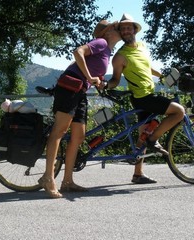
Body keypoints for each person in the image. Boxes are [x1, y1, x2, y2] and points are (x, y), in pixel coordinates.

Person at [38, 19, 122, 198]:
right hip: (69, 88)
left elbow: (93, 75)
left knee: (78, 135)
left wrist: (99, 81)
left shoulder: (107, 51)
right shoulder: (101, 42)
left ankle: (67, 181)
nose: (119, 29)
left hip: (80, 91)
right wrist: (90, 76)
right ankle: (47, 177)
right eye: (116, 28)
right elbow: (78, 52)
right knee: (59, 131)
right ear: (107, 32)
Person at [106, 13, 185, 184]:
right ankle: (153, 139)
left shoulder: (141, 46)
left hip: (147, 95)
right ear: (121, 32)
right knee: (179, 111)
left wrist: (163, 76)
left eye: (129, 27)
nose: (126, 30)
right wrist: (104, 84)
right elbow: (115, 79)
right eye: (123, 28)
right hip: (144, 98)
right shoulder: (120, 56)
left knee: (143, 133)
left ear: (134, 29)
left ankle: (137, 174)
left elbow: (147, 67)